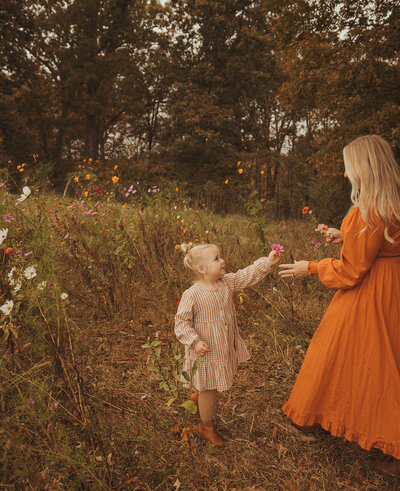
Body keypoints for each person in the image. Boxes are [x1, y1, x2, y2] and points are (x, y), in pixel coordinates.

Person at [279, 135, 400, 476]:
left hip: (370, 293)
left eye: (348, 168)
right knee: (388, 358)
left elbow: (350, 271)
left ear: (363, 168)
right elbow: (384, 241)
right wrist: (346, 235)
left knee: (338, 351)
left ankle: (319, 418)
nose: (346, 176)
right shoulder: (391, 204)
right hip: (394, 289)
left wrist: (311, 267)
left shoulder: (365, 213)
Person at [175, 243, 281, 447]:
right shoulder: (192, 294)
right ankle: (205, 426)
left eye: (220, 256)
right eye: (216, 259)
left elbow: (245, 275)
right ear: (202, 269)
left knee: (209, 385)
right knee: (210, 387)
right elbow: (181, 322)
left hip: (221, 347)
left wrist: (267, 262)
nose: (222, 261)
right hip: (205, 352)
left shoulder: (226, 283)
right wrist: (195, 342)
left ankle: (199, 394)